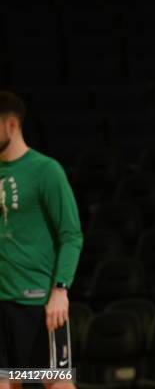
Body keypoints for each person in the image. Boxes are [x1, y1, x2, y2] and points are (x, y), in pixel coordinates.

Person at [0, 92, 83, 389]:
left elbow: (71, 234)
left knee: (55, 383)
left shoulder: (45, 170)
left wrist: (61, 288)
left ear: (11, 125)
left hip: (37, 302)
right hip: (2, 302)